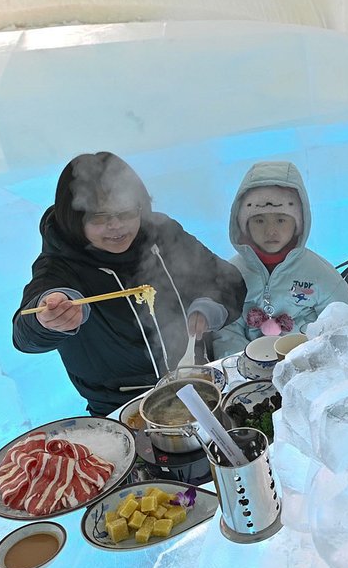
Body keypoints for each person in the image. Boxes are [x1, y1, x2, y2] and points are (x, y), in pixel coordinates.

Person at [13, 152, 246, 416]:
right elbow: (25, 335)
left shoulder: (163, 234)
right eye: (99, 217)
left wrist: (209, 308)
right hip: (123, 409)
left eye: (126, 212)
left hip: (198, 384)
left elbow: (227, 280)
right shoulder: (60, 265)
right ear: (75, 218)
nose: (116, 226)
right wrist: (50, 320)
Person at [211, 160, 348, 357]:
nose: (270, 231)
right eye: (259, 220)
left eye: (281, 219)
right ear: (243, 224)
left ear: (298, 223)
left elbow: (343, 327)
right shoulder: (233, 274)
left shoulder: (320, 274)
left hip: (305, 366)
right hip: (251, 372)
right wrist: (243, 368)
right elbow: (226, 331)